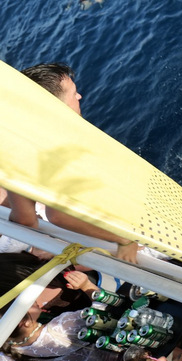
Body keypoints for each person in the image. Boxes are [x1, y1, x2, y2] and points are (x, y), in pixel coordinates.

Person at [6, 63, 139, 263]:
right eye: (73, 93)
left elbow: (25, 219)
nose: (79, 96)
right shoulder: (61, 147)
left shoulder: (19, 146)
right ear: (55, 106)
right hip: (119, 228)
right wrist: (125, 239)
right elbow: (58, 216)